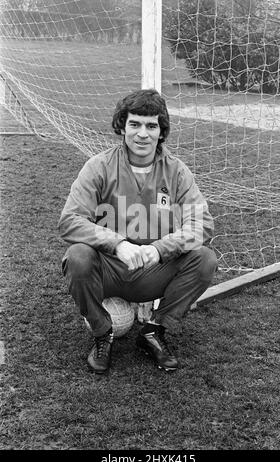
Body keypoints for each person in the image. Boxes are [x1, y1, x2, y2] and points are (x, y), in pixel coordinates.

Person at [58, 89, 217, 374]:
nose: (142, 134)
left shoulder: (177, 172)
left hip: (153, 270)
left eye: (151, 125)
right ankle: (102, 332)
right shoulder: (99, 167)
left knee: (204, 259)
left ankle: (154, 331)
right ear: (122, 126)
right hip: (108, 269)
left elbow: (201, 224)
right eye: (135, 124)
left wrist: (159, 249)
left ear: (161, 131)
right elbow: (69, 220)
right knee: (77, 256)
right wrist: (117, 243)